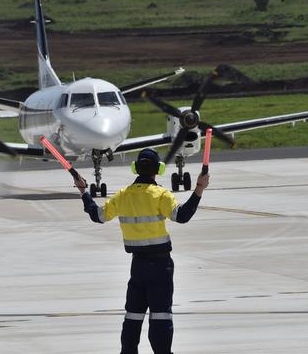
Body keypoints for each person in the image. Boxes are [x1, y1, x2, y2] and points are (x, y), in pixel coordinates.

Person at [75, 148, 209, 354]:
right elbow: (182, 216)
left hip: (137, 267)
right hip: (161, 267)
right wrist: (199, 188)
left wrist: (84, 191)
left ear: (135, 168)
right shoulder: (160, 195)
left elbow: (97, 216)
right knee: (161, 316)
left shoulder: (123, 195)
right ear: (158, 170)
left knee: (133, 316)